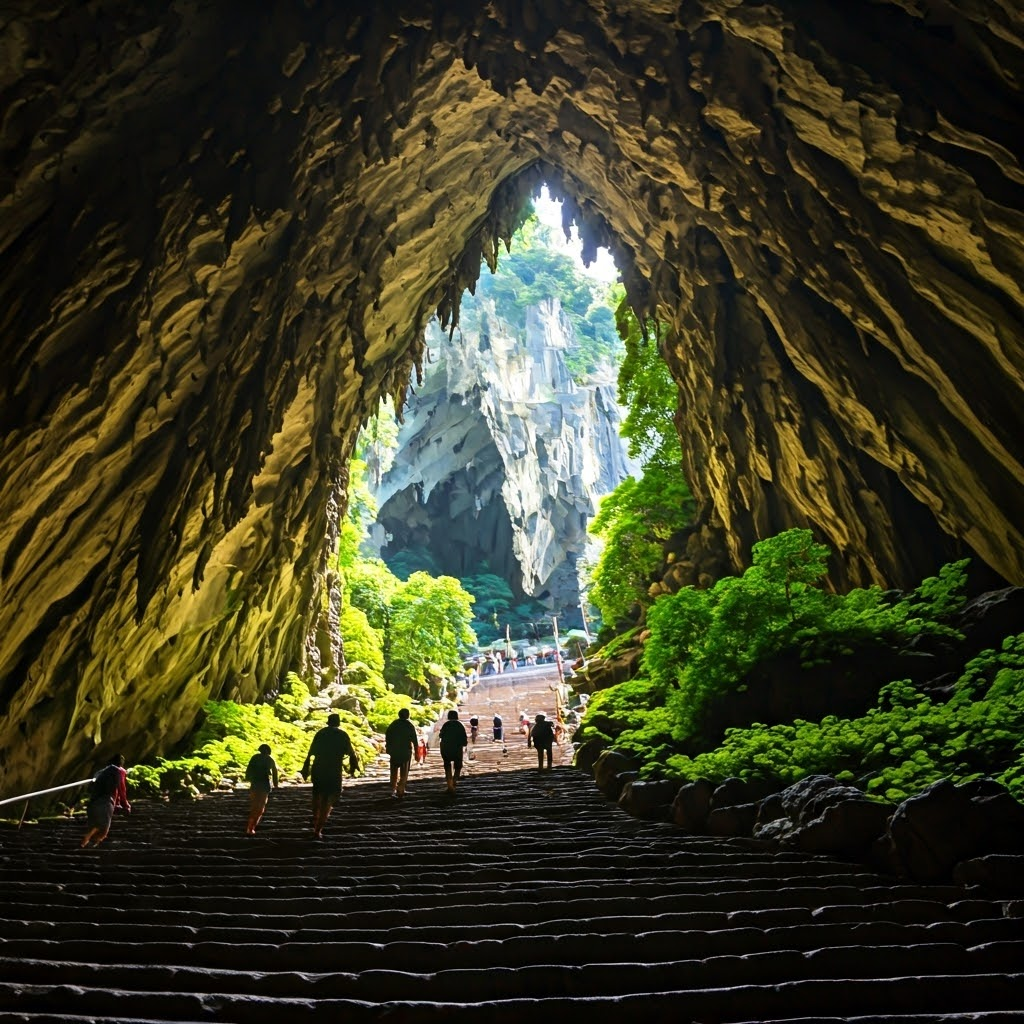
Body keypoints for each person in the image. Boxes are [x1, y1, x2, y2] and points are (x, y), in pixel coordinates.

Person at [301, 713, 359, 839]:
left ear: (328, 722)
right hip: (333, 769)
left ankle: (315, 815)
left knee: (317, 793)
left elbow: (311, 752)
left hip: (319, 768)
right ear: (338, 723)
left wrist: (306, 767)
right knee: (329, 797)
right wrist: (354, 767)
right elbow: (351, 754)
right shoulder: (342, 735)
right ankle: (318, 829)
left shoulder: (321, 733)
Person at [81, 754, 130, 848]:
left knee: (95, 825)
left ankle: (88, 842)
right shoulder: (119, 771)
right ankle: (88, 839)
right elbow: (121, 789)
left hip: (93, 802)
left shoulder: (100, 772)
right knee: (103, 827)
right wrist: (125, 804)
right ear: (121, 763)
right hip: (105, 802)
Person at [244, 743, 279, 835]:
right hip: (264, 785)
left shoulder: (255, 757)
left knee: (255, 806)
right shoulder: (270, 759)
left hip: (255, 784)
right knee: (260, 807)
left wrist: (248, 778)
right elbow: (275, 772)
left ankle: (250, 827)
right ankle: (251, 828)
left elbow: (249, 769)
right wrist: (276, 784)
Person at [385, 707, 418, 799]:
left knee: (394, 771)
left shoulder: (393, 724)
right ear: (408, 715)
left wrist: (388, 747)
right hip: (405, 751)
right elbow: (414, 740)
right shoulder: (409, 725)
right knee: (404, 772)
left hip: (394, 751)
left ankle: (392, 789)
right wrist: (417, 753)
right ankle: (401, 789)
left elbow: (388, 736)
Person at [438, 709, 468, 794]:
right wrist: (464, 744)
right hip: (457, 749)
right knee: (458, 766)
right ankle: (454, 780)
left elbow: (441, 735)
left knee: (447, 766)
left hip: (446, 748)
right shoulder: (460, 725)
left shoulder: (446, 725)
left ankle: (449, 785)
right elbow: (464, 737)